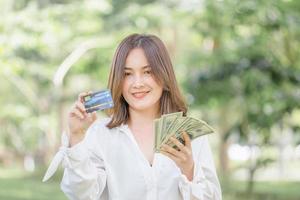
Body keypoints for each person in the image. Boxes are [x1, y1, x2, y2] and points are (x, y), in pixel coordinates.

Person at [43, 33, 222, 200]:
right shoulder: (99, 134)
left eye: (147, 72)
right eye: (127, 74)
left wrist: (189, 171)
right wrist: (76, 138)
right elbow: (80, 193)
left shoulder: (190, 135)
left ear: (164, 76)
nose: (137, 83)